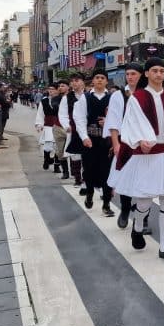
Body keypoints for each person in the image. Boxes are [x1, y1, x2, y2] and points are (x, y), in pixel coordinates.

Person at [116, 57, 164, 262]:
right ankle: (138, 225)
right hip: (146, 156)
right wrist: (140, 140)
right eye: (155, 71)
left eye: (162, 71)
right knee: (144, 200)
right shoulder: (138, 97)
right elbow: (130, 124)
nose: (159, 74)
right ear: (147, 74)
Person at [73, 69, 115, 216]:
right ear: (93, 81)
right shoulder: (85, 98)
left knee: (107, 172)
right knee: (89, 170)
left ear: (106, 81)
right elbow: (79, 118)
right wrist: (84, 137)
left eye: (102, 78)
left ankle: (106, 204)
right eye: (97, 77)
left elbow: (119, 119)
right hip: (90, 140)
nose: (99, 80)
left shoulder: (112, 98)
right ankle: (90, 193)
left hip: (107, 141)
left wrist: (108, 124)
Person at [110, 63, 143, 229]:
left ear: (141, 75)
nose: (130, 77)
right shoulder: (119, 95)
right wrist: (116, 143)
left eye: (134, 74)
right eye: (128, 74)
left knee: (145, 180)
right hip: (126, 142)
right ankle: (124, 209)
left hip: (144, 143)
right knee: (125, 178)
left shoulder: (146, 94)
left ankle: (142, 217)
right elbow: (114, 122)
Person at [59, 73, 86, 188]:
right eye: (72, 81)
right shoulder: (67, 97)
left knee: (87, 155)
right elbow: (63, 114)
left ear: (83, 82)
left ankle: (86, 178)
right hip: (74, 129)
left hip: (87, 129)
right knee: (75, 155)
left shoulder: (88, 95)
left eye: (77, 80)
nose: (74, 83)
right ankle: (77, 178)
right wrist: (66, 126)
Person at [35, 83, 62, 169]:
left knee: (58, 146)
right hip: (48, 125)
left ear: (58, 90)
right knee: (48, 145)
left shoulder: (62, 100)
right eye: (49, 89)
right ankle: (46, 160)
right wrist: (39, 124)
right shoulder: (44, 101)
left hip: (59, 125)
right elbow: (40, 113)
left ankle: (56, 166)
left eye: (53, 89)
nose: (50, 91)